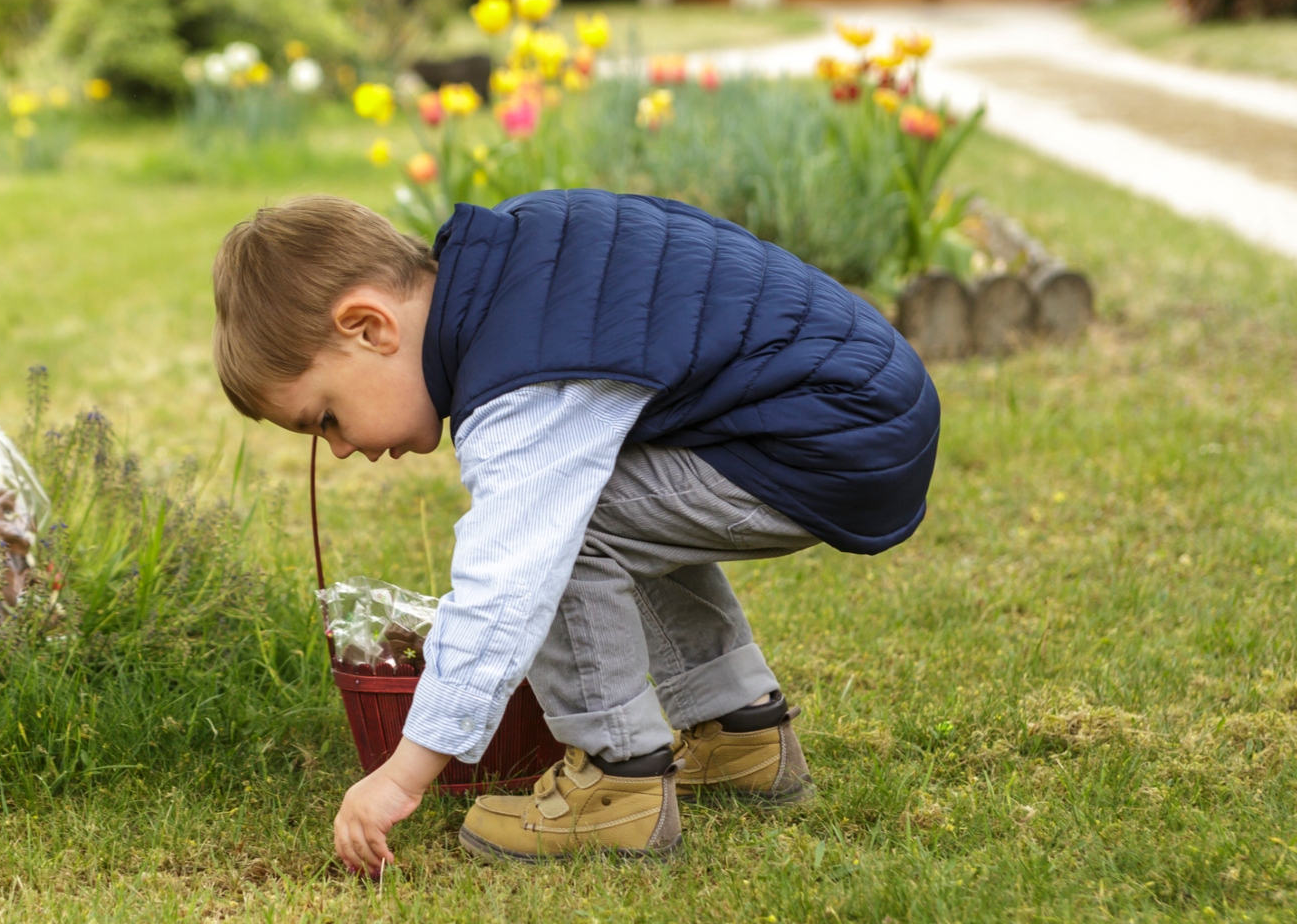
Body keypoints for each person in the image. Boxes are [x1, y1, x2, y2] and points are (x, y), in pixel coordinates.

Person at [211, 190, 939, 869]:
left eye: (326, 418)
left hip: (832, 434)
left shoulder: (522, 372)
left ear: (369, 327)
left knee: (561, 519)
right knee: (598, 489)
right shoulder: (510, 269)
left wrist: (402, 774)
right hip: (858, 405)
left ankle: (617, 781)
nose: (341, 449)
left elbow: (506, 584)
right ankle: (739, 733)